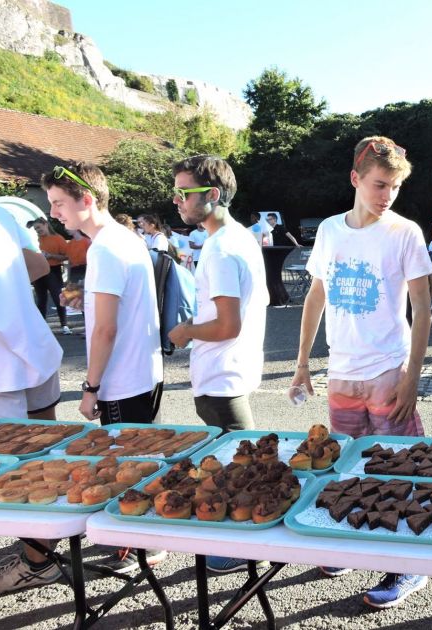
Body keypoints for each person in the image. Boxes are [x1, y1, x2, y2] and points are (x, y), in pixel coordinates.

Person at [290, 136, 432, 609]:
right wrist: (302, 363)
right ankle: (353, 546)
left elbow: (422, 306)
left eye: (393, 187)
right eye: (378, 184)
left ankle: (409, 565)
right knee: (345, 466)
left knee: (400, 465)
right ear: (355, 179)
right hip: (342, 373)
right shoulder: (331, 230)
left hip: (387, 370)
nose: (386, 195)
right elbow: (316, 295)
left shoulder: (405, 231)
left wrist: (412, 375)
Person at [42, 162, 165, 573]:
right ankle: (146, 542)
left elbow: (106, 330)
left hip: (123, 381)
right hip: (142, 374)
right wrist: (86, 300)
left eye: (59, 203)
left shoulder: (107, 248)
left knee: (128, 468)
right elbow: (114, 312)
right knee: (146, 462)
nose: (55, 213)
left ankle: (140, 546)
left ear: (87, 200)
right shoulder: (124, 240)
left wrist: (90, 387)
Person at [167, 156, 267, 575]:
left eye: (183, 193)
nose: (176, 202)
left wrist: (185, 331)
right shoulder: (237, 237)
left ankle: (248, 547)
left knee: (238, 468)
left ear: (212, 194)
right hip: (233, 369)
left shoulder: (221, 248)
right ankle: (250, 540)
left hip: (221, 373)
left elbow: (227, 324)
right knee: (243, 462)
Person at [0, 205, 66, 596]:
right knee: (47, 459)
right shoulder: (2, 214)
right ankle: (41, 550)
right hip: (33, 346)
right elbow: (38, 266)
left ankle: (37, 562)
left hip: (4, 364)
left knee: (15, 470)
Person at [31, 218, 71, 334]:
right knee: (41, 300)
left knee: (58, 297)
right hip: (38, 271)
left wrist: (50, 256)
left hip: (53, 270)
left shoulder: (58, 238)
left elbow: (66, 256)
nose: (38, 230)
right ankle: (41, 327)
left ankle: (64, 325)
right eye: (36, 229)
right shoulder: (35, 240)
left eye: (39, 227)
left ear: (46, 224)